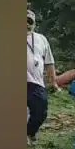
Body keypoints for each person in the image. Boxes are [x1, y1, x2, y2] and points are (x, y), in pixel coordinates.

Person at [26, 9, 56, 140]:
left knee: (41, 111)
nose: (26, 24)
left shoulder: (41, 39)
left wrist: (53, 81)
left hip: (36, 82)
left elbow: (49, 62)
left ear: (34, 23)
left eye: (29, 21)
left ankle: (29, 132)